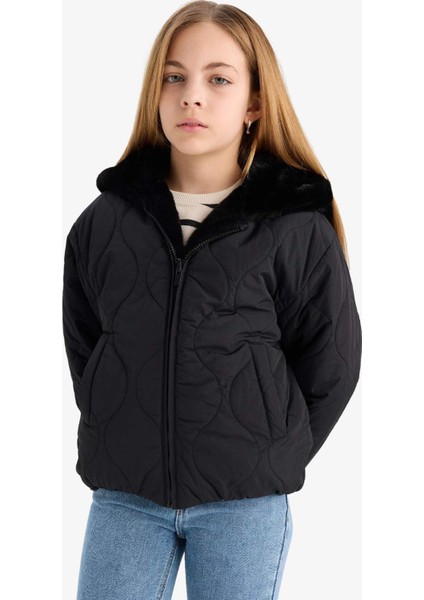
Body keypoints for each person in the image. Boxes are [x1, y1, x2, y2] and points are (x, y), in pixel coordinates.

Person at [62, 1, 362, 598]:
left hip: (243, 504)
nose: (191, 96)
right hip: (125, 495)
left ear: (254, 103)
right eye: (174, 76)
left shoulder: (295, 226)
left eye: (218, 79)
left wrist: (269, 452)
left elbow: (331, 362)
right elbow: (87, 344)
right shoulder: (104, 222)